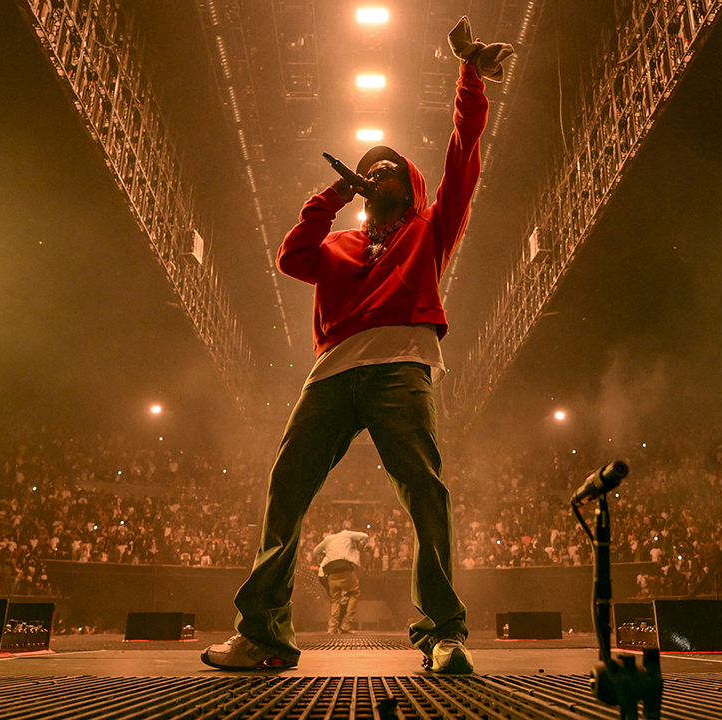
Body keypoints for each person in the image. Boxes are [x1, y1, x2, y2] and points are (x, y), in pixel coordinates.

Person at [202, 16, 513, 674]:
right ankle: (263, 635)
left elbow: (463, 152)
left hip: (402, 368)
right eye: (368, 169)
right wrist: (331, 195)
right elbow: (291, 257)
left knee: (424, 493)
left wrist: (470, 77)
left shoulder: (430, 230)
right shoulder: (339, 244)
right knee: (287, 488)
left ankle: (444, 633)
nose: (378, 173)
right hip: (331, 375)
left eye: (390, 168)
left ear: (411, 185)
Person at [311, 522, 371, 634]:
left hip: (330, 571)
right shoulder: (347, 534)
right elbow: (364, 536)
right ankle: (346, 623)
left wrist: (327, 552)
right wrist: (363, 543)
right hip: (344, 567)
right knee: (354, 592)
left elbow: (315, 552)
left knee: (335, 600)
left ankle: (332, 627)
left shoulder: (328, 539)